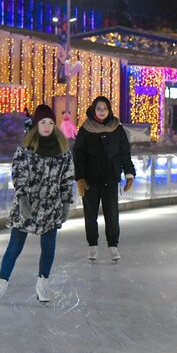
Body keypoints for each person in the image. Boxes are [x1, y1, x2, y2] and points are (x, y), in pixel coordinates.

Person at [0, 104, 74, 304]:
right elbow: (18, 175)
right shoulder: (25, 150)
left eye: (50, 122)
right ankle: (1, 284)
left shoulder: (62, 151)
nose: (47, 126)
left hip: (50, 207)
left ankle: (42, 284)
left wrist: (66, 203)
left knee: (49, 246)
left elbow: (67, 180)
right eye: (43, 122)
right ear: (36, 124)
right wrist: (22, 199)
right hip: (27, 204)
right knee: (15, 246)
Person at [72, 96, 135, 262]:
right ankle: (92, 245)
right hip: (90, 179)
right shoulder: (86, 129)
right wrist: (80, 178)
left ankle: (113, 245)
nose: (102, 111)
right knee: (90, 214)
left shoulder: (117, 129)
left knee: (112, 213)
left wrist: (129, 174)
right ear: (94, 110)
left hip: (110, 177)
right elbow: (78, 155)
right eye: (99, 108)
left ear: (109, 110)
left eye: (105, 108)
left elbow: (124, 153)